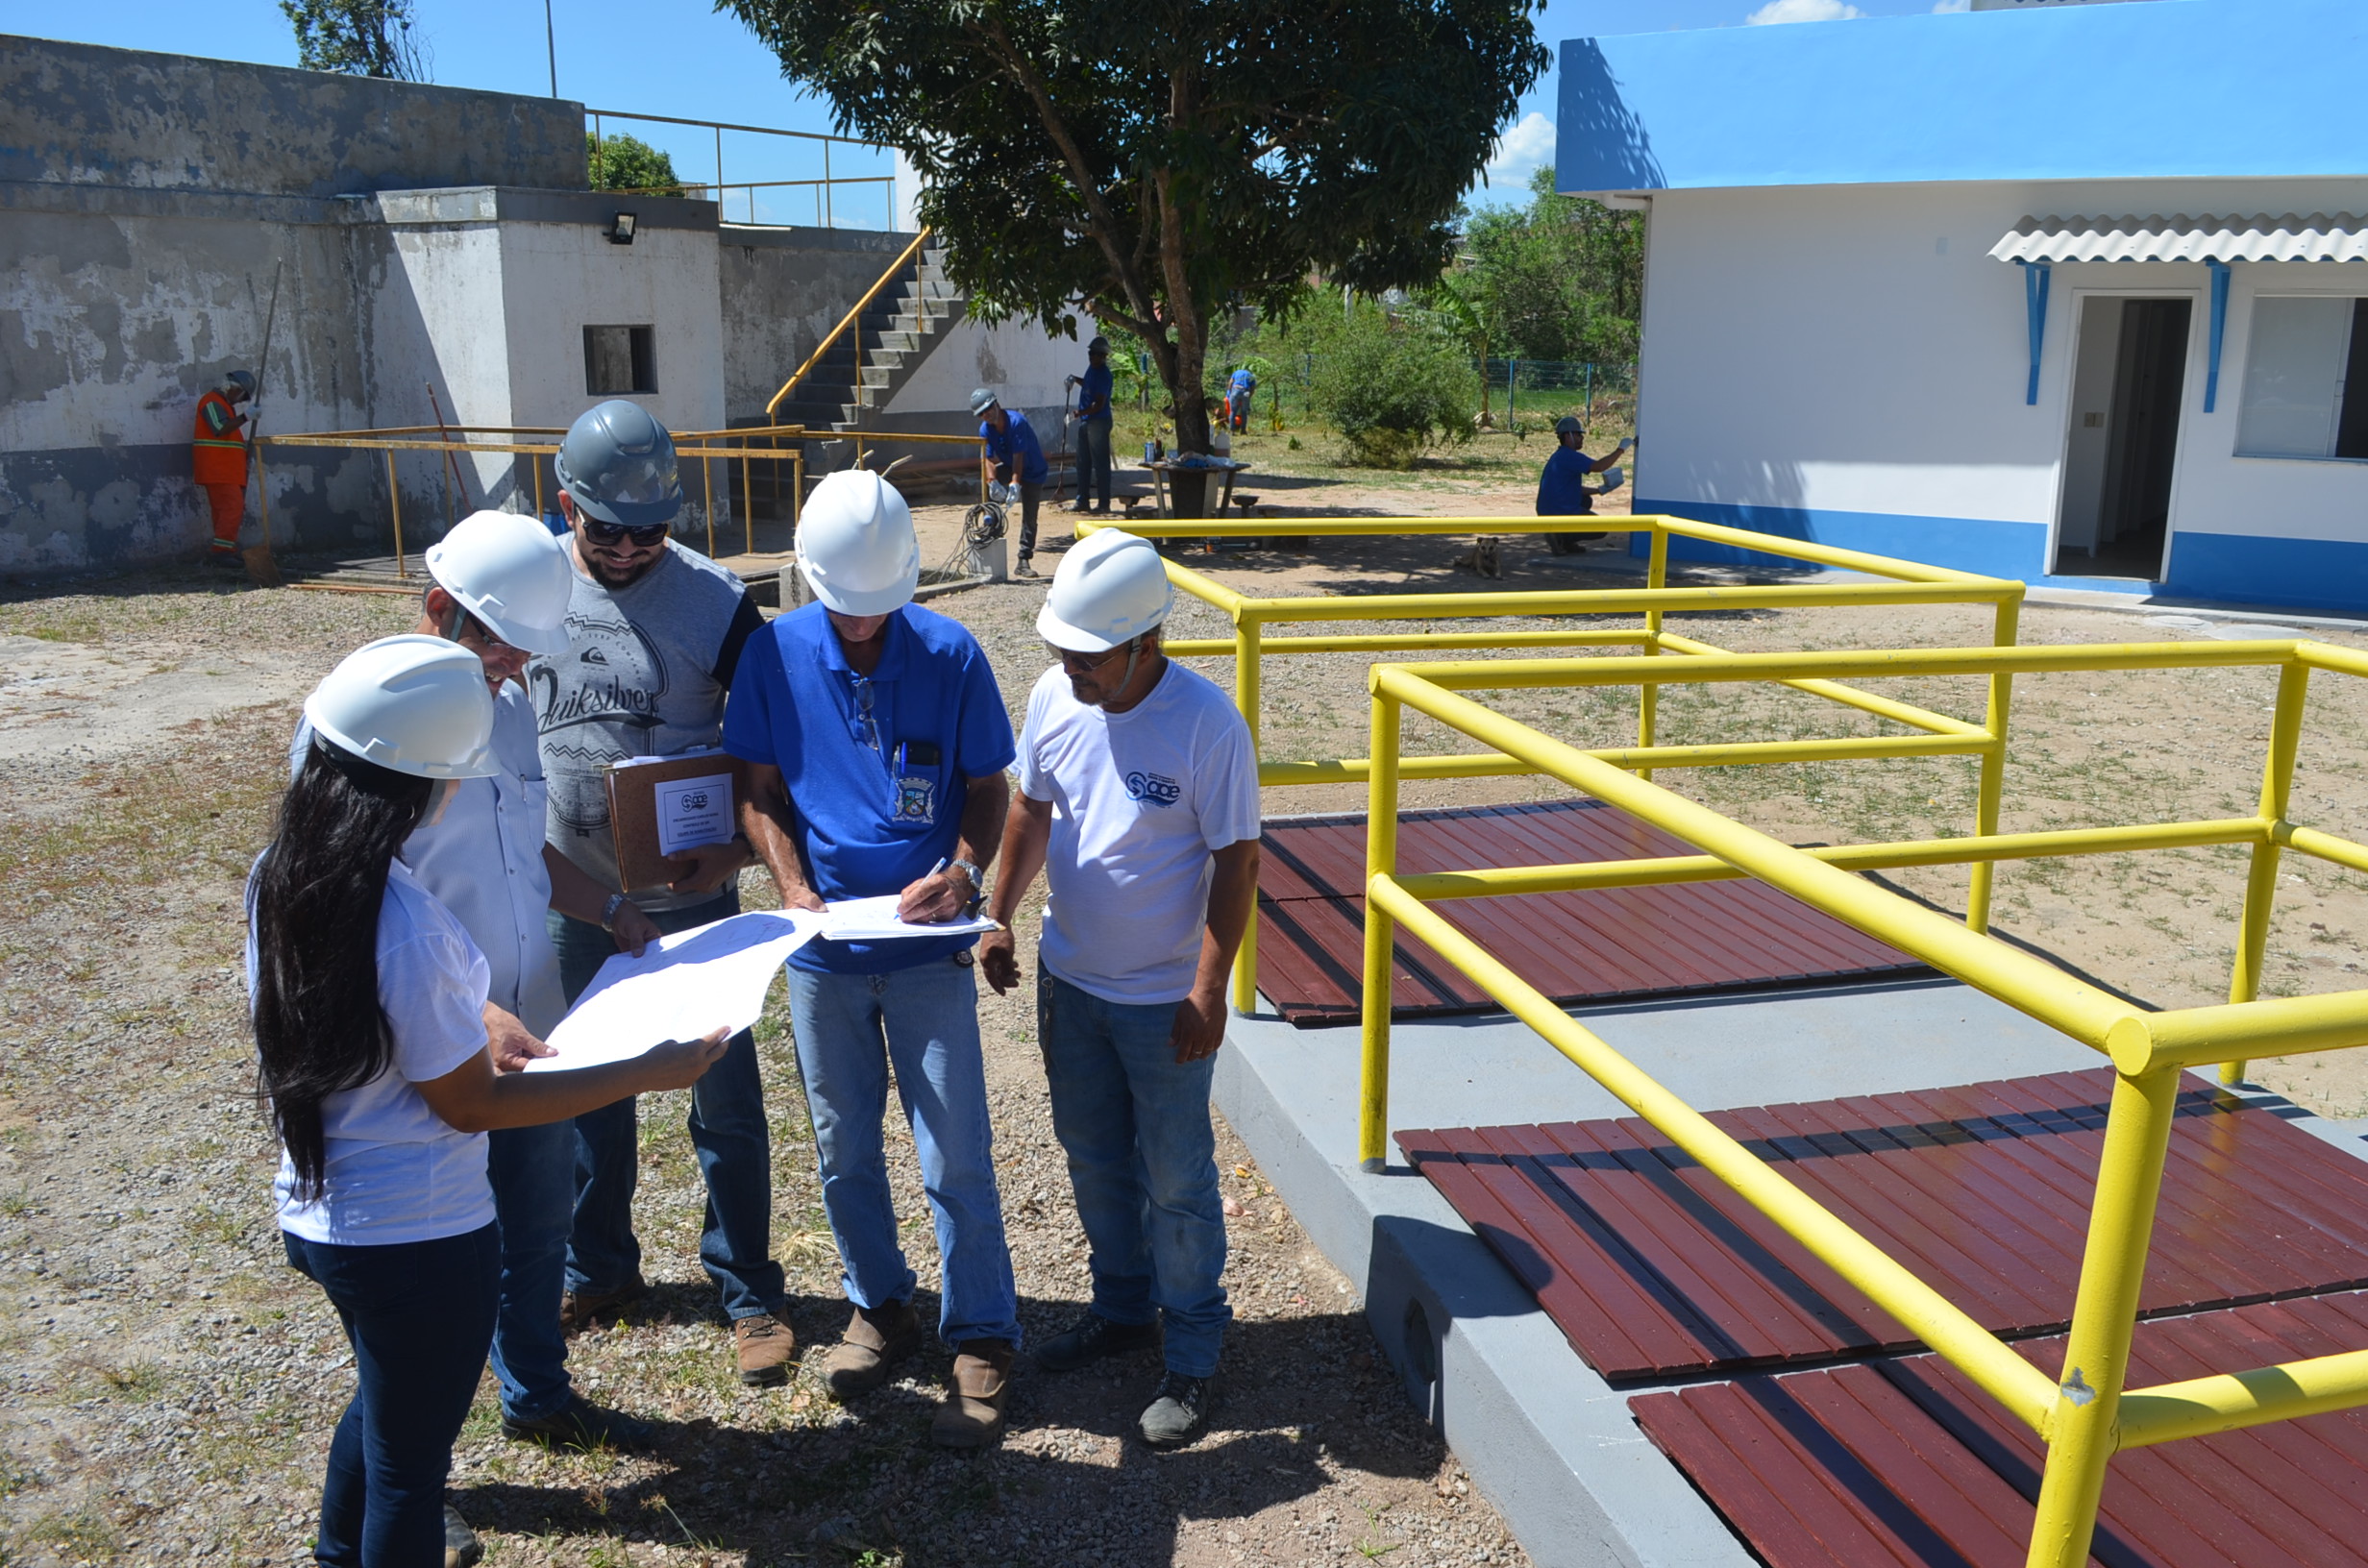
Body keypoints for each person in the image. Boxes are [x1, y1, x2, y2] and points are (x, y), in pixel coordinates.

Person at [254, 634, 726, 1568]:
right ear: (422, 787)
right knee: (410, 1471)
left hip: (322, 1214)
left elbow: (405, 1033)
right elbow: (471, 1105)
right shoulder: (408, 926)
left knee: (386, 1406)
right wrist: (644, 1071)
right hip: (417, 1235)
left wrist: (470, 1020)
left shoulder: (288, 875)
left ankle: (333, 1552)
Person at [727, 470, 1024, 1449]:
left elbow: (989, 786)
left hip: (925, 947)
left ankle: (980, 1328)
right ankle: (877, 1303)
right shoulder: (773, 655)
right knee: (842, 1143)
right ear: (808, 583)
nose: (860, 626)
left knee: (954, 1151)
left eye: (877, 609)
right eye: (842, 610)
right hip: (824, 955)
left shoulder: (951, 653)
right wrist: (790, 884)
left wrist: (964, 871)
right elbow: (757, 789)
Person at [530, 400, 795, 1390]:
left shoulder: (720, 608)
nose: (635, 548)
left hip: (692, 899)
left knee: (723, 1100)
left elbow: (770, 753)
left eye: (655, 529)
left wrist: (732, 845)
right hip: (571, 892)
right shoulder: (530, 585)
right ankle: (597, 1269)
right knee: (581, 1090)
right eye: (610, 529)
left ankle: (748, 1288)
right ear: (566, 508)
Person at [978, 528, 1261, 1450]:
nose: (1069, 665)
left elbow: (1237, 860)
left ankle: (1194, 1350)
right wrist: (1000, 912)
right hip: (1071, 983)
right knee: (1094, 1156)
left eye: (1089, 653)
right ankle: (1123, 1308)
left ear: (1148, 643)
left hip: (1160, 1000)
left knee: (1176, 1180)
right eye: (1061, 647)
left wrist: (1207, 989)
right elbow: (1029, 806)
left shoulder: (1206, 725)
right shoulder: (1055, 696)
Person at [973, 387, 1048, 577]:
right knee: (987, 494)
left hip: (1033, 471)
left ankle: (1023, 560)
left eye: (988, 409)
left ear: (997, 404)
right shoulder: (986, 429)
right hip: (1010, 465)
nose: (986, 415)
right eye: (981, 413)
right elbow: (987, 459)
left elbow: (1018, 457)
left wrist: (1014, 483)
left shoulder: (1017, 423)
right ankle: (989, 534)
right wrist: (992, 482)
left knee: (1029, 517)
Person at [1535, 416, 1631, 555]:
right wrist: (1620, 449)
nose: (1581, 438)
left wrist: (1599, 490)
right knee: (1600, 528)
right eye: (1578, 434)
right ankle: (1561, 536)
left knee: (1586, 500)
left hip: (1547, 510)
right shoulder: (1569, 456)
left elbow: (1571, 489)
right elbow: (1600, 466)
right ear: (1568, 436)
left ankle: (1565, 541)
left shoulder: (1560, 456)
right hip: (1557, 511)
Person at [193, 369, 256, 571]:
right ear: (233, 388)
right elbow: (219, 428)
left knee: (223, 511)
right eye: (241, 396)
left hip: (224, 470)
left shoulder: (224, 406)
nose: (239, 401)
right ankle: (222, 553)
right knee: (231, 508)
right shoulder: (211, 402)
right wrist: (246, 417)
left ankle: (222, 550)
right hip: (218, 469)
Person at [1068, 337, 1115, 515]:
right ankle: (1082, 500)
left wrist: (1080, 413)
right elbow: (1088, 384)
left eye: (1094, 354)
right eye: (1089, 353)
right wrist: (1075, 380)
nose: (1091, 357)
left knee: (1100, 463)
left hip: (1098, 421)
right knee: (1083, 462)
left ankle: (1104, 503)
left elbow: (1099, 404)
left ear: (1102, 356)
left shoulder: (1104, 374)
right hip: (1086, 421)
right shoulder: (1092, 370)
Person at [1224, 365, 1256, 433]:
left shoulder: (1236, 372)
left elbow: (1230, 383)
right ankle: (1243, 430)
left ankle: (1232, 430)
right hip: (1245, 392)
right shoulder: (1251, 375)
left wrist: (1230, 392)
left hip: (1235, 390)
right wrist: (1249, 396)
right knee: (1244, 412)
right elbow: (1253, 388)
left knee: (1233, 411)